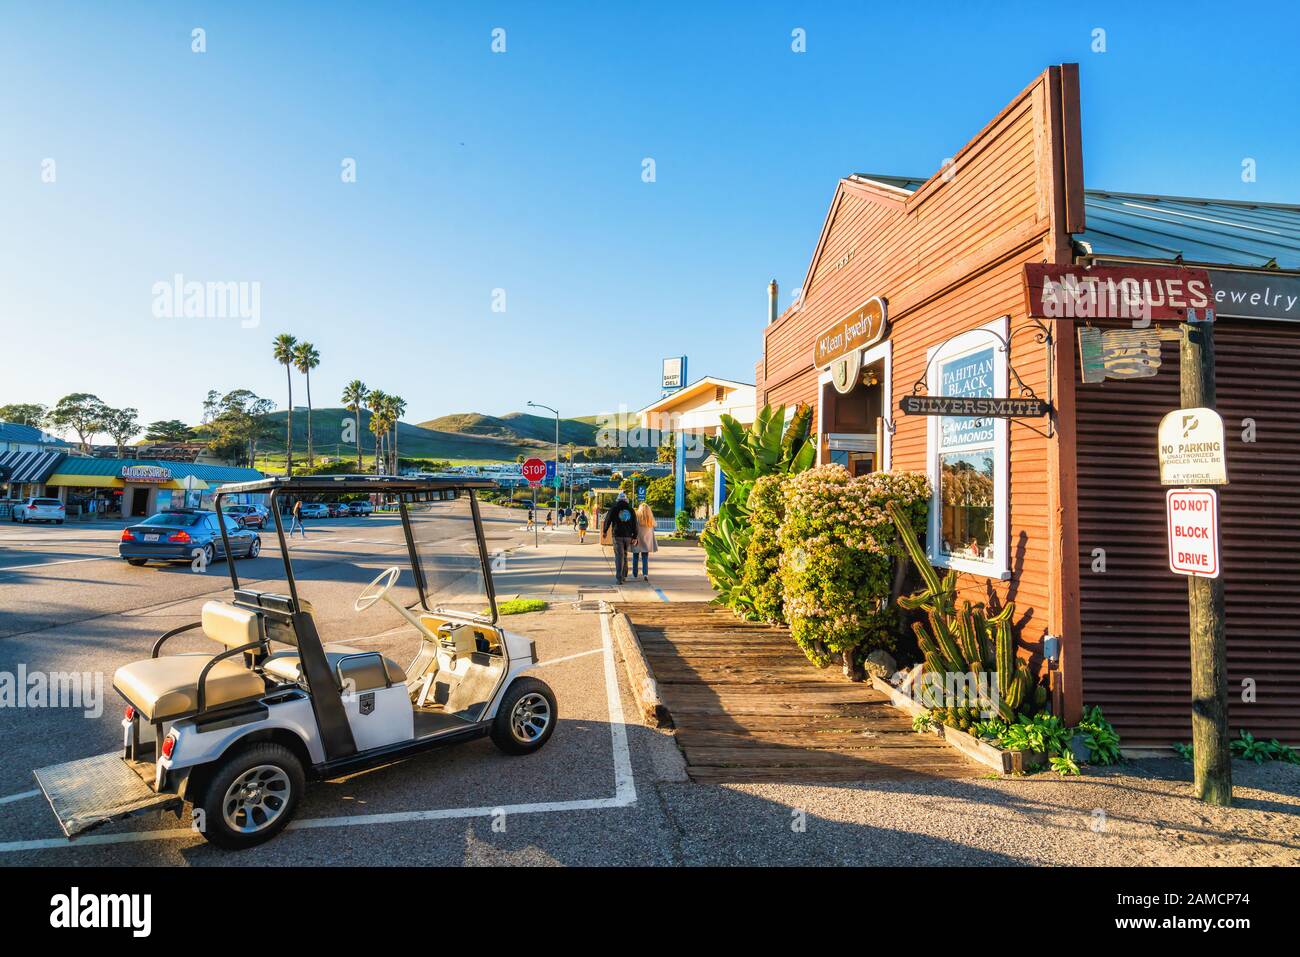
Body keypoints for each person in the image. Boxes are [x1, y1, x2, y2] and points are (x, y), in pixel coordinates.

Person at [602, 492, 639, 584]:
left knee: (619, 556)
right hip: (628, 536)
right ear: (626, 500)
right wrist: (635, 536)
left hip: (617, 535)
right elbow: (635, 524)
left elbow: (608, 520)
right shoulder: (631, 510)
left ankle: (619, 578)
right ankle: (624, 575)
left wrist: (605, 531)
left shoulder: (614, 509)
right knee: (625, 555)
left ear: (618, 500)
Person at [631, 502, 658, 581]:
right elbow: (654, 526)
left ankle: (635, 574)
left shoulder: (636, 517)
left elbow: (633, 527)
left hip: (637, 539)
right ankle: (645, 574)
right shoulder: (650, 518)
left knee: (635, 557)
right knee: (645, 557)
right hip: (646, 541)